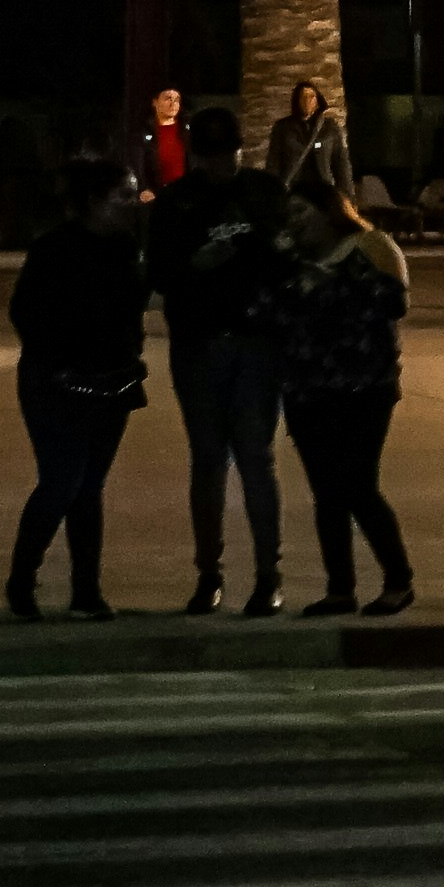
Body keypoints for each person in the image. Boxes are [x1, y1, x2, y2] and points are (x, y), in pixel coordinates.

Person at [147, 105, 295, 614]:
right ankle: (209, 574)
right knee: (209, 460)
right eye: (210, 156)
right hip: (199, 341)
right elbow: (160, 274)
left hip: (256, 341)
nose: (219, 166)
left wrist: (254, 250)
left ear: (240, 148)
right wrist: (195, 264)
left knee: (255, 459)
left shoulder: (263, 192)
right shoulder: (177, 201)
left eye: (226, 155)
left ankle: (268, 575)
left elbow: (288, 257)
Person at [6, 153, 150, 617]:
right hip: (58, 380)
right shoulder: (55, 248)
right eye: (122, 196)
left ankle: (86, 589)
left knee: (89, 486)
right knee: (62, 480)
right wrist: (61, 363)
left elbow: (132, 306)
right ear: (91, 202)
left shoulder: (126, 246)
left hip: (111, 378)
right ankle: (23, 581)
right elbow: (27, 313)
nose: (131, 203)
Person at [270, 162, 415, 615]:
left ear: (328, 210)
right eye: (288, 215)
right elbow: (267, 310)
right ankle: (340, 588)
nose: (294, 222)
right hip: (307, 389)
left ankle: (398, 579)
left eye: (301, 212)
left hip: (363, 388)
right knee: (327, 493)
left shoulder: (369, 244)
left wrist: (329, 284)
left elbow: (395, 301)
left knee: (357, 485)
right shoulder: (288, 258)